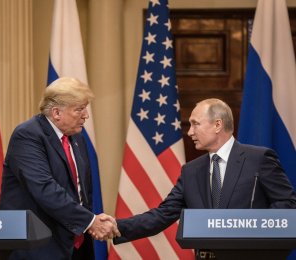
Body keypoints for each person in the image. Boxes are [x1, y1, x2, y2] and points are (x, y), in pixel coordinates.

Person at [112, 98, 296, 257]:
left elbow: (287, 204)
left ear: (217, 125)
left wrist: (250, 227)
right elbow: (163, 214)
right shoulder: (191, 171)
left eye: (195, 124)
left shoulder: (259, 159)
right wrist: (115, 227)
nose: (190, 131)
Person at [0, 77, 119, 260]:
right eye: (79, 109)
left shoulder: (76, 137)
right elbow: (45, 189)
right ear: (56, 113)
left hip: (76, 244)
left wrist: (89, 223)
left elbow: (81, 192)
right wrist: (90, 221)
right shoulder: (28, 135)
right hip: (38, 247)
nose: (86, 115)